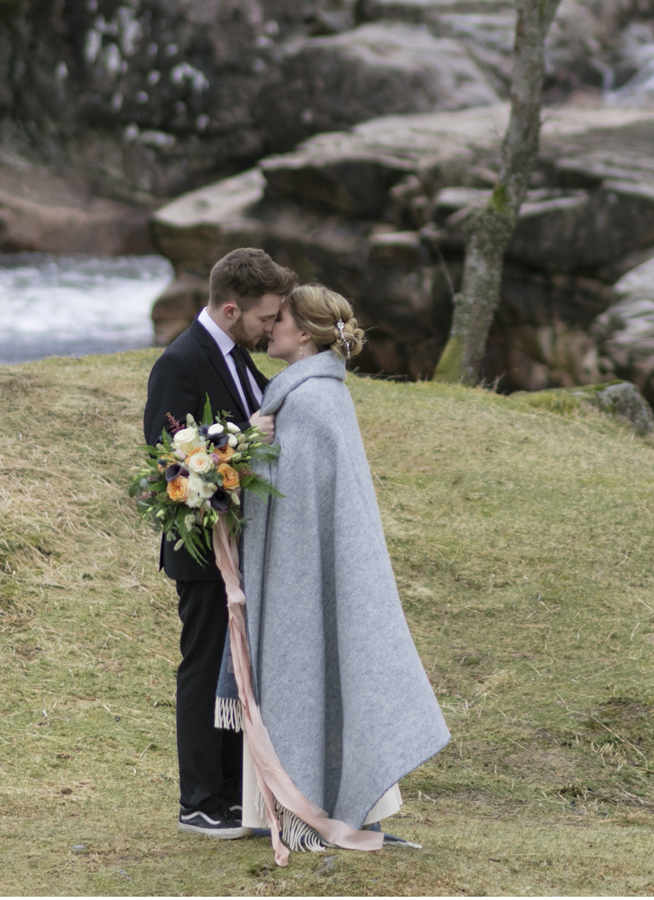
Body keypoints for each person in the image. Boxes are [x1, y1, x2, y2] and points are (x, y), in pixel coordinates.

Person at [222, 283, 449, 853]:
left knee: (312, 672)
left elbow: (295, 507)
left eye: (281, 320)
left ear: (303, 335)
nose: (270, 326)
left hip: (303, 582)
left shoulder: (310, 401)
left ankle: (314, 806)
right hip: (299, 575)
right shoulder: (307, 394)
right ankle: (300, 801)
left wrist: (244, 455)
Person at [143, 247, 295, 839]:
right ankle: (200, 802)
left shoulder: (235, 358)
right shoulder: (179, 363)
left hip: (240, 548)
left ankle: (235, 796)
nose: (270, 328)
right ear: (232, 309)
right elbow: (169, 460)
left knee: (235, 673)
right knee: (205, 669)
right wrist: (232, 452)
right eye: (265, 318)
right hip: (205, 552)